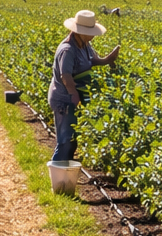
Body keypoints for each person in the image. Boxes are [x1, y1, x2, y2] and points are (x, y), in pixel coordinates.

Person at [47, 10, 119, 164]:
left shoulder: (84, 45)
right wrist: (74, 95)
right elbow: (65, 76)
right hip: (64, 99)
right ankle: (58, 174)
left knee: (72, 140)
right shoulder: (67, 50)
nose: (93, 35)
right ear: (80, 32)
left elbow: (92, 60)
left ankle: (65, 176)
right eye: (90, 32)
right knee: (65, 140)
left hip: (74, 97)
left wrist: (107, 60)